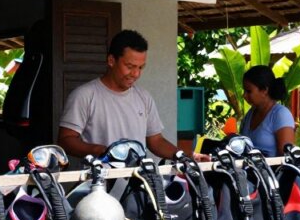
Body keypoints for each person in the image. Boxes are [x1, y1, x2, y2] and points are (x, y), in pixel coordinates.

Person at [58, 30, 208, 161]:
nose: (136, 74)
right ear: (111, 61)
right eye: (129, 67)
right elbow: (66, 139)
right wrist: (100, 151)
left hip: (138, 185)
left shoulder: (143, 97)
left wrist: (185, 156)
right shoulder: (85, 95)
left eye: (140, 67)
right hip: (99, 187)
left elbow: (155, 140)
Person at [240, 65, 295, 156]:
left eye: (249, 91)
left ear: (264, 90)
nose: (244, 95)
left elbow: (286, 156)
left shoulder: (280, 114)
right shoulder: (250, 114)